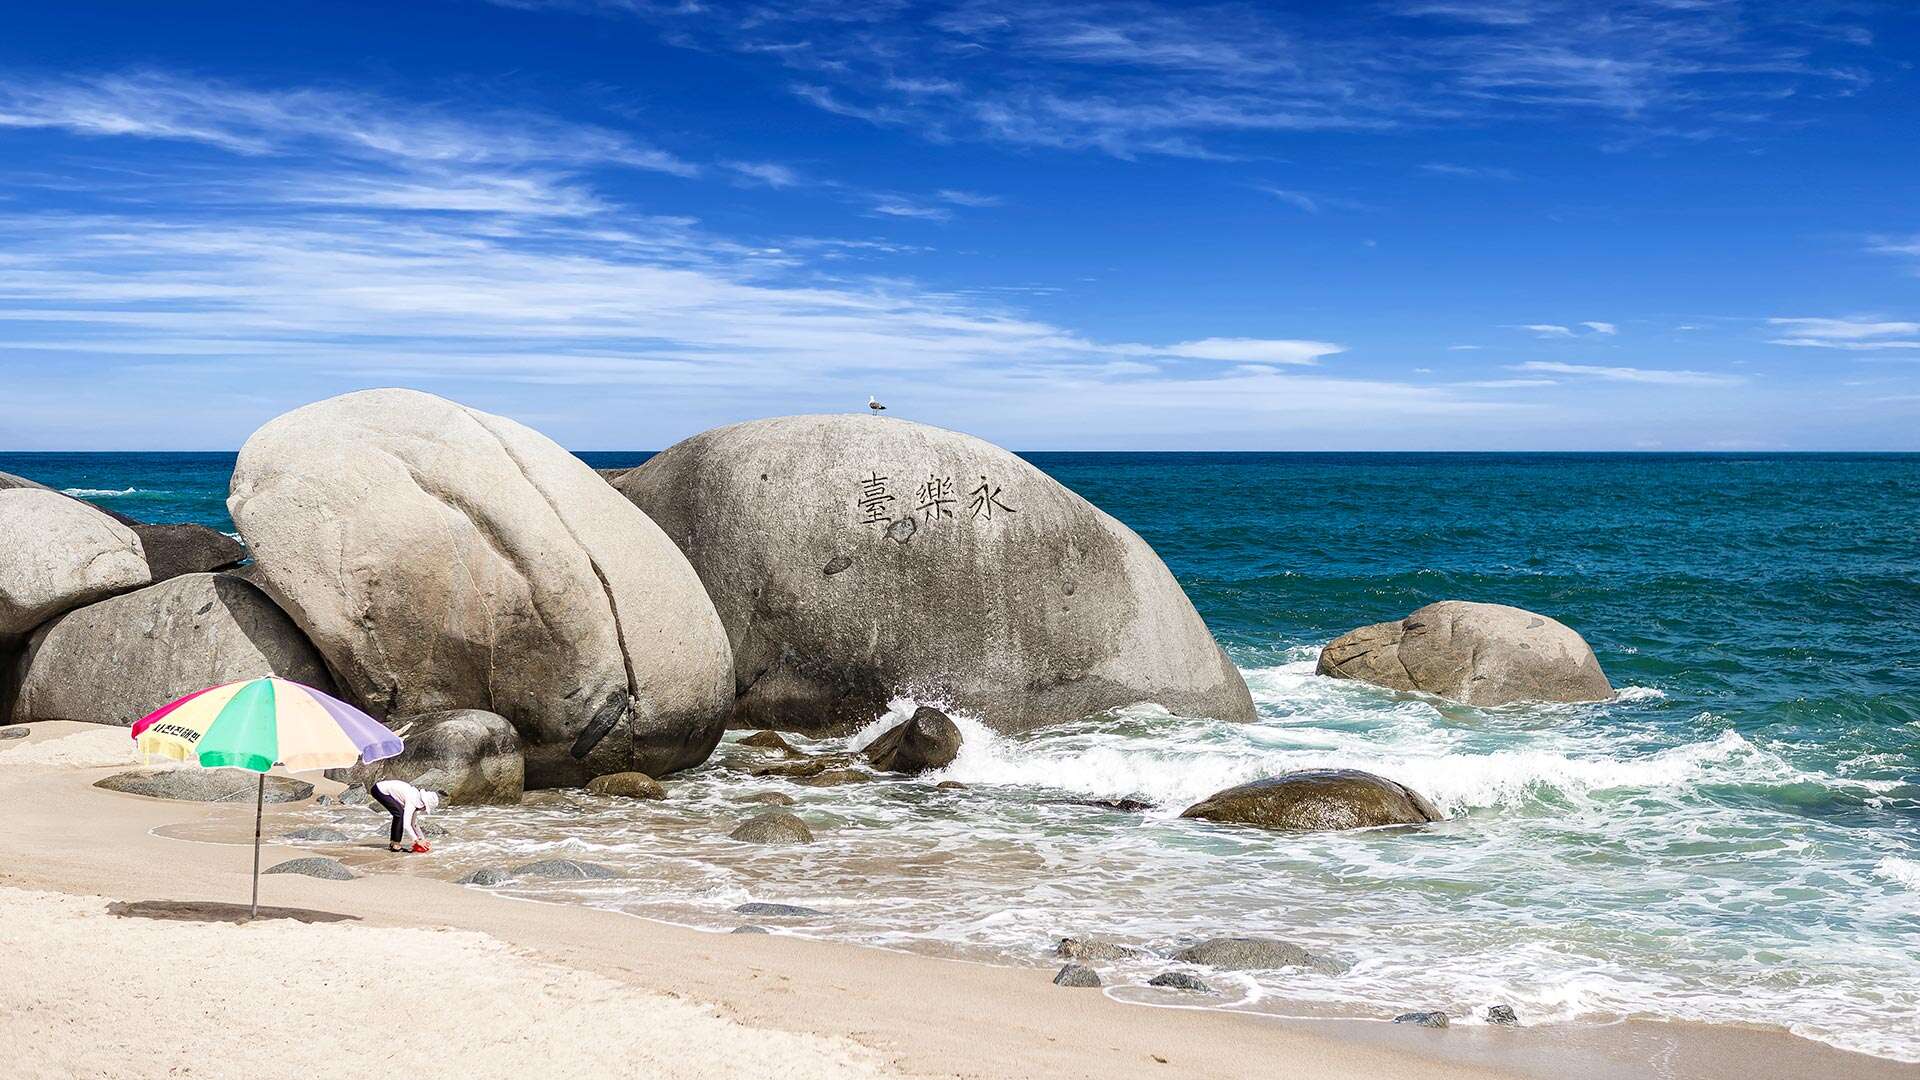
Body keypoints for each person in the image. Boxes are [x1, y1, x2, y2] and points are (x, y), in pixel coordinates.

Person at [370, 778, 441, 853]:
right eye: (425, 808)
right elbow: (406, 825)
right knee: (399, 814)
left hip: (383, 789)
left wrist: (422, 839)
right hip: (379, 790)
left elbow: (414, 824)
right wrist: (417, 841)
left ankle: (393, 843)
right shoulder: (412, 800)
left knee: (399, 813)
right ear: (423, 804)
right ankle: (395, 845)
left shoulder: (416, 799)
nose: (423, 810)